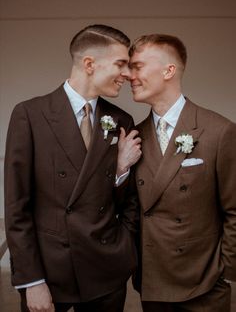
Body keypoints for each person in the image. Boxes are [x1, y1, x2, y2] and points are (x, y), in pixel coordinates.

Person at [4, 24, 142, 312]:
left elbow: (128, 201)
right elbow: (17, 209)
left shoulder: (121, 120)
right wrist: (32, 281)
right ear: (89, 64)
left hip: (105, 271)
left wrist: (120, 172)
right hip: (50, 273)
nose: (129, 75)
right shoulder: (29, 115)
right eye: (121, 64)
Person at [128, 33, 236, 311]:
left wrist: (225, 271)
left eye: (137, 66)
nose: (129, 75)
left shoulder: (219, 131)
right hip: (153, 281)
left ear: (168, 70)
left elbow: (234, 209)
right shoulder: (134, 137)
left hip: (205, 282)